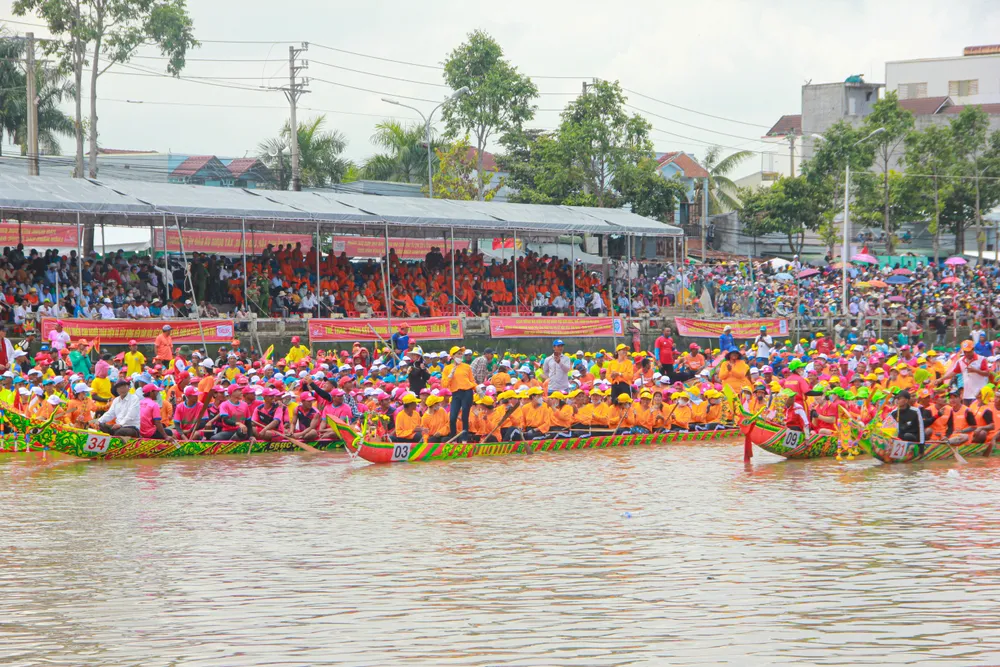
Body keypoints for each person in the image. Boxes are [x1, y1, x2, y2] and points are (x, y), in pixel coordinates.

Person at [446, 348, 476, 439]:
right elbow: (444, 384)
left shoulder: (467, 367)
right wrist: (450, 376)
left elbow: (472, 381)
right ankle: (454, 439)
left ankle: (464, 440)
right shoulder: (447, 368)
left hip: (467, 392)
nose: (460, 356)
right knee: (452, 417)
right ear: (452, 356)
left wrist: (477, 387)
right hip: (455, 393)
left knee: (464, 416)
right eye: (458, 354)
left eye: (461, 354)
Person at [892, 390, 934, 455]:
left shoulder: (915, 411)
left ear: (906, 401)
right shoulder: (893, 413)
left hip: (913, 437)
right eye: (896, 398)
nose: (897, 400)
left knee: (907, 436)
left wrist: (921, 446)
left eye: (899, 398)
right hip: (899, 438)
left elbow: (921, 429)